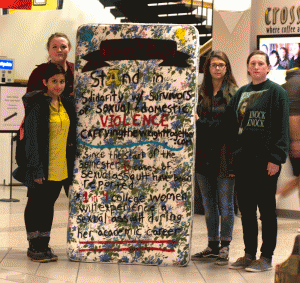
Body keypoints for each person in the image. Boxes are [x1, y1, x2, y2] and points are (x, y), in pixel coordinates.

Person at [227, 50, 290, 272]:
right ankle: (248, 254)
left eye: (260, 63)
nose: (256, 67)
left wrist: (276, 158)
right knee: (246, 210)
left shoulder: (276, 92)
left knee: (266, 211)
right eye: (252, 63)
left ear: (268, 67)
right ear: (247, 67)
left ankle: (265, 257)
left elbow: (283, 128)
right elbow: (229, 122)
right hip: (243, 161)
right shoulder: (242, 92)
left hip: (266, 163)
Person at [14, 63, 76, 262]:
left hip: (60, 167)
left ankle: (44, 244)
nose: (58, 85)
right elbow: (31, 139)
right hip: (41, 166)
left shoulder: (67, 103)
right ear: (45, 82)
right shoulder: (37, 105)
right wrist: (36, 168)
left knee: (48, 205)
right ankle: (33, 245)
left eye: (61, 81)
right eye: (54, 81)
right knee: (35, 204)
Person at [191, 51, 238, 265]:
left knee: (226, 204)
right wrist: (206, 125)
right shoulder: (200, 93)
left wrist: (202, 123)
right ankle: (212, 245)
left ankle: (225, 246)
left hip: (225, 156)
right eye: (213, 65)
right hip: (203, 154)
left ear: (227, 68)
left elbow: (228, 129)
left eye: (221, 65)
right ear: (207, 68)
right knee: (209, 205)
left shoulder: (234, 94)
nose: (217, 68)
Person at [26, 32, 74, 196]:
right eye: (55, 46)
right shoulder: (39, 73)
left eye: (63, 46)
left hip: (66, 143)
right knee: (40, 204)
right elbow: (32, 108)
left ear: (69, 49)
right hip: (44, 141)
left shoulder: (77, 70)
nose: (59, 50)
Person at [277, 51, 300, 199]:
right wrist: (296, 141)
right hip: (297, 141)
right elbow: (293, 115)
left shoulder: (289, 83)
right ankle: (272, 200)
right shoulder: (297, 83)